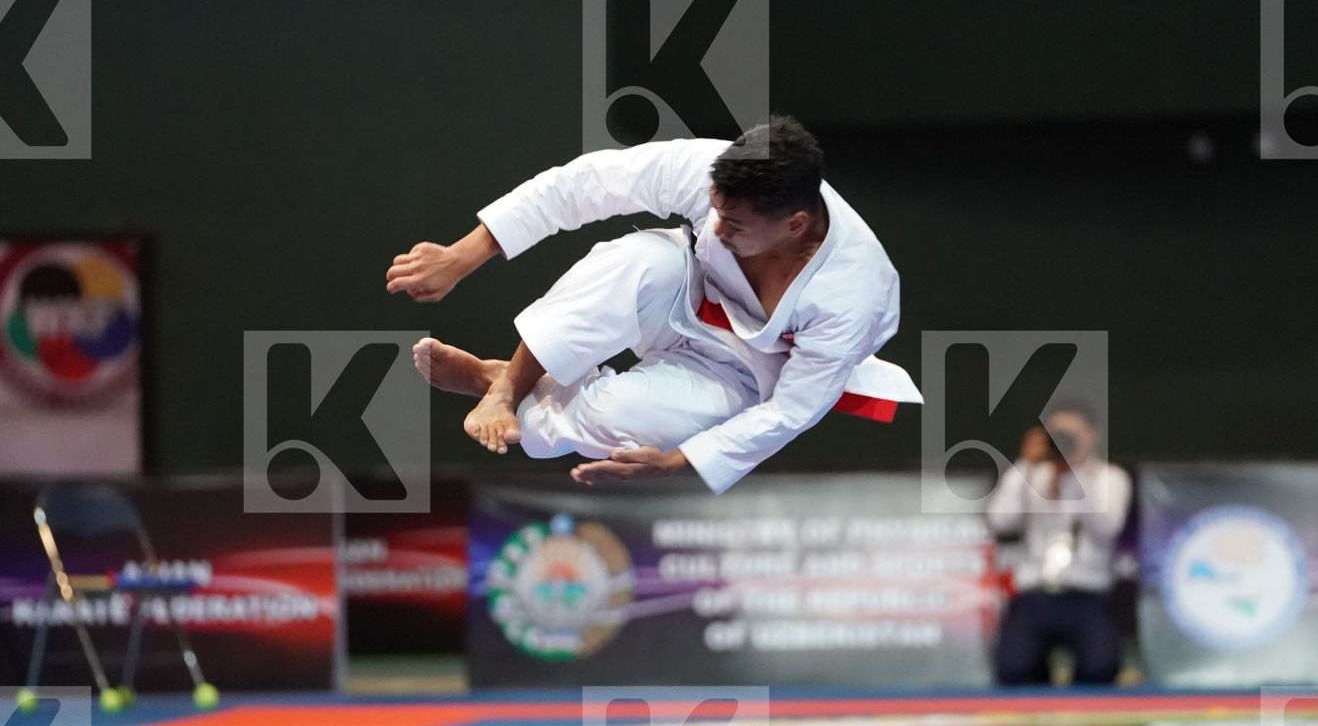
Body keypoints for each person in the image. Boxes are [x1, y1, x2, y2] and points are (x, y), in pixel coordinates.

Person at [385, 116, 921, 493]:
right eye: (715, 210)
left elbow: (792, 410)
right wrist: (461, 255)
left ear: (794, 225)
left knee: (616, 418)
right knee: (639, 259)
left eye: (735, 224)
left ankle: (507, 388)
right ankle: (506, 387)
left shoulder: (855, 295)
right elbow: (582, 185)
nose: (717, 225)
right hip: (683, 295)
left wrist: (677, 462)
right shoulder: (708, 171)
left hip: (748, 375)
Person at [986, 406, 1131, 685]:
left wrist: (1074, 475)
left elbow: (1106, 529)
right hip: (1033, 593)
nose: (1062, 442)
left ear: (1092, 436)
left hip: (1087, 594)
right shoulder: (1029, 475)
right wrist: (1025, 464)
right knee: (1014, 671)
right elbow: (1000, 521)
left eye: (1070, 436)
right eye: (1056, 435)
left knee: (1100, 670)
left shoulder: (1109, 477)